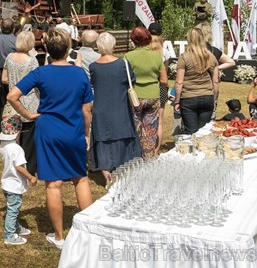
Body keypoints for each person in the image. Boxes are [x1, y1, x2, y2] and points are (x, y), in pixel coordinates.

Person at [6, 28, 94, 250]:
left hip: (48, 131)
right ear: (69, 49)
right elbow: (87, 109)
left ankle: (59, 236)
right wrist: (86, 133)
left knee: (53, 184)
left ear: (46, 49)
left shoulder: (41, 73)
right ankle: (91, 233)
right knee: (80, 179)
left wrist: (27, 115)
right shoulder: (79, 73)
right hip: (73, 130)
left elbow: (12, 96)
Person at [89, 32, 142, 182]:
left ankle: (107, 176)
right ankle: (123, 172)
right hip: (120, 107)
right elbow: (132, 80)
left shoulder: (93, 67)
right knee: (123, 139)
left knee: (103, 142)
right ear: (113, 45)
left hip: (101, 109)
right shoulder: (122, 64)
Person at [123, 27, 168, 158]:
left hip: (135, 97)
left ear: (133, 40)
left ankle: (135, 156)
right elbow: (164, 80)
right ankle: (148, 157)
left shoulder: (127, 56)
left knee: (135, 127)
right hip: (153, 95)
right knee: (150, 128)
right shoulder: (156, 57)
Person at [2, 31, 40, 175]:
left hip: (13, 99)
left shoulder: (9, 58)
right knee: (29, 137)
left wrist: (14, 81)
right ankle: (29, 167)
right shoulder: (32, 61)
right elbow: (37, 81)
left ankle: (14, 165)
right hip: (29, 100)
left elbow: (4, 78)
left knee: (14, 136)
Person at [0, 116, 37, 246]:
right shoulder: (17, 149)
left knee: (13, 208)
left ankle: (16, 227)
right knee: (13, 209)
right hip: (14, 185)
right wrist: (31, 177)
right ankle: (9, 235)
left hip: (6, 183)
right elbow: (19, 167)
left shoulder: (3, 146)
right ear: (18, 132)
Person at [174, 28, 219, 133]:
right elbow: (215, 82)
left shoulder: (184, 57)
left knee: (191, 131)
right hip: (207, 96)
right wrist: (214, 99)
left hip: (188, 97)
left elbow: (179, 82)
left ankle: (192, 149)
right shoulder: (211, 57)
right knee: (203, 132)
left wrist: (177, 101)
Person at [0, 18, 17, 134]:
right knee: (13, 99)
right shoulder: (16, 41)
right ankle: (11, 125)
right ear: (13, 28)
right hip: (11, 72)